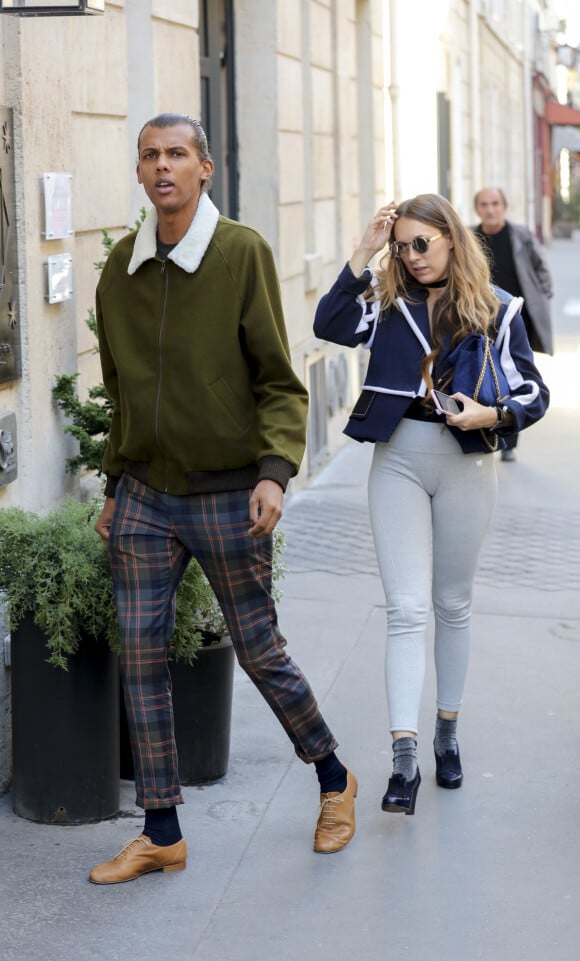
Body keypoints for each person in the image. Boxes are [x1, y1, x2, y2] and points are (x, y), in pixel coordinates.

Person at [88, 113, 356, 884]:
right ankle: (162, 828)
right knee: (140, 650)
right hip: (144, 490)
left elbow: (278, 375)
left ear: (205, 168)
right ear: (139, 174)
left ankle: (334, 778)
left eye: (177, 154)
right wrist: (114, 481)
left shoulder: (240, 252)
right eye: (150, 156)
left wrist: (274, 469)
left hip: (228, 491)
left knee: (258, 649)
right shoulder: (120, 267)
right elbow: (122, 388)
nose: (163, 166)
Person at [314, 193, 549, 816]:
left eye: (424, 243)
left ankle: (447, 732)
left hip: (468, 462)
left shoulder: (498, 309)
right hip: (397, 457)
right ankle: (404, 757)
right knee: (406, 609)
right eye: (403, 246)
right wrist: (365, 250)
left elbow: (533, 390)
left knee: (452, 604)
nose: (413, 257)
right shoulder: (386, 305)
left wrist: (494, 413)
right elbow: (329, 323)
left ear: (451, 238)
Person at [473, 186, 553, 461]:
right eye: (484, 204)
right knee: (486, 377)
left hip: (517, 319)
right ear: (477, 209)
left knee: (516, 377)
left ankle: (509, 439)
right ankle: (489, 431)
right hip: (482, 320)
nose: (490, 209)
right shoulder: (471, 239)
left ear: (504, 206)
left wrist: (543, 295)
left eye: (495, 203)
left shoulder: (520, 235)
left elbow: (541, 268)